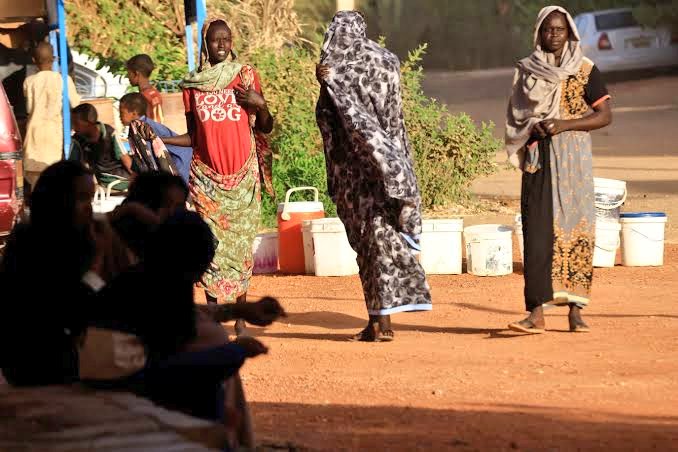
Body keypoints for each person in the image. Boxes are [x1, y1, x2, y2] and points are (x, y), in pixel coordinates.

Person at [315, 11, 432, 342]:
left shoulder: (334, 67)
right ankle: (380, 321)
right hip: (389, 163)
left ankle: (380, 323)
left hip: (355, 173)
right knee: (384, 239)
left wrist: (326, 82)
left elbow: (330, 118)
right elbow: (393, 116)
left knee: (369, 244)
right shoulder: (387, 61)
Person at [162, 16, 275, 336]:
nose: (222, 44)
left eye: (226, 38)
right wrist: (162, 139)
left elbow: (266, 127)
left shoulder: (246, 76)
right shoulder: (192, 86)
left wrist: (260, 104)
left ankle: (239, 317)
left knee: (240, 248)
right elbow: (194, 137)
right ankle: (213, 316)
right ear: (206, 44)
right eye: (216, 39)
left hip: (243, 179)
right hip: (207, 180)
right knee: (209, 246)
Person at [505, 6, 612, 334]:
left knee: (576, 229)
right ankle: (536, 313)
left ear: (569, 34)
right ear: (539, 32)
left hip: (574, 161)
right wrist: (532, 128)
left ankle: (576, 312)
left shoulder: (585, 69)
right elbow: (516, 116)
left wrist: (564, 124)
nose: (553, 35)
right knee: (536, 234)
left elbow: (604, 116)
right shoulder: (527, 70)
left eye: (559, 30)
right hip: (538, 160)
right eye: (547, 29)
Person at [0, 161, 125, 386]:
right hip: (36, 365)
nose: (89, 208)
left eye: (90, 199)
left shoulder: (78, 236)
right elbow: (72, 310)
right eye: (82, 199)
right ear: (58, 200)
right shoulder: (32, 243)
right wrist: (97, 263)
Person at [22, 41, 80, 188]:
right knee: (54, 178)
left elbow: (29, 108)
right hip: (54, 134)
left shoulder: (29, 81)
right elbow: (76, 104)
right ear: (54, 59)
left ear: (34, 60)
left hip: (34, 135)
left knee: (36, 182)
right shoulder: (63, 80)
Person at [119, 92, 192, 182]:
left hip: (180, 161)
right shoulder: (136, 128)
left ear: (134, 113)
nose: (119, 116)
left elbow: (150, 159)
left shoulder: (145, 129)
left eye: (121, 112)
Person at [71, 103, 134, 190]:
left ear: (88, 122)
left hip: (121, 179)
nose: (74, 128)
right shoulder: (78, 140)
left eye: (76, 123)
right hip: (105, 182)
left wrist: (138, 179)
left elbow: (125, 159)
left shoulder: (109, 132)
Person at [126, 54, 164, 123]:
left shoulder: (143, 97)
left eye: (129, 73)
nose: (128, 77)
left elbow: (147, 123)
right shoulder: (155, 93)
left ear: (136, 73)